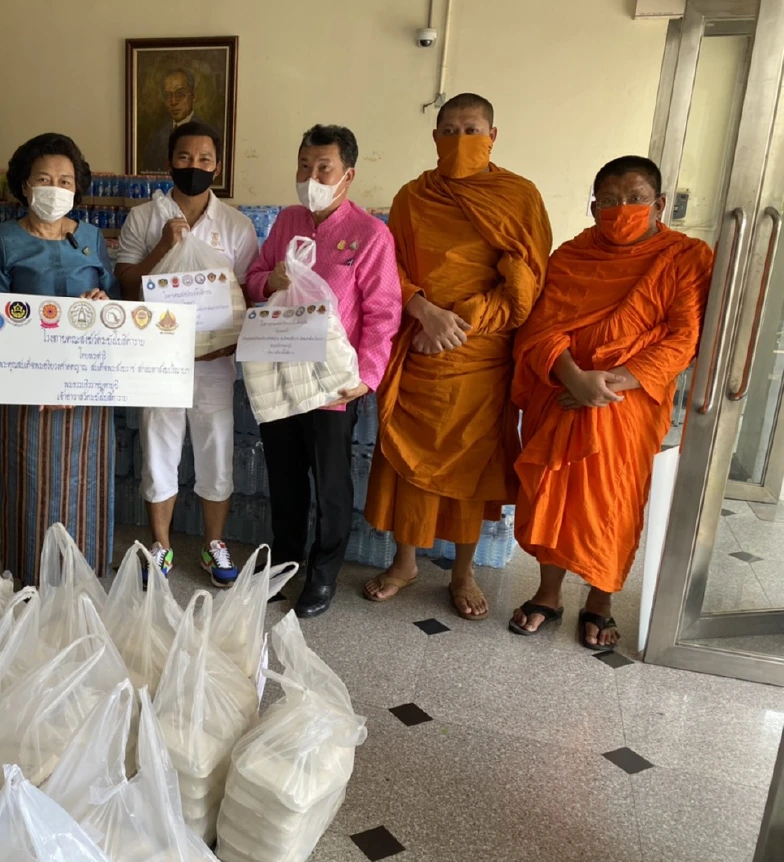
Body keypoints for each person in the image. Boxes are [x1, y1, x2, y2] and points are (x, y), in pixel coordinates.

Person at [508, 156, 713, 650]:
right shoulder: (572, 256)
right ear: (594, 205)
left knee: (613, 502)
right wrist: (575, 379)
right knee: (552, 495)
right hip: (562, 392)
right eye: (610, 201)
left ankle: (601, 599)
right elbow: (540, 328)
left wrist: (608, 385)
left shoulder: (685, 258)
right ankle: (548, 593)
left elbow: (683, 339)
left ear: (660, 204)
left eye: (636, 199)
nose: (622, 209)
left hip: (629, 404)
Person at [362, 92, 552, 620]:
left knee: (472, 466)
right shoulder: (411, 196)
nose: (459, 140)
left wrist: (460, 322)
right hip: (421, 342)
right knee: (407, 461)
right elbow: (388, 269)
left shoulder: (519, 196)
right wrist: (424, 313)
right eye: (448, 129)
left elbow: (526, 279)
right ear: (433, 137)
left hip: (480, 353)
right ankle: (405, 562)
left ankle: (463, 573)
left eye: (471, 129)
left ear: (494, 137)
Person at [245, 124, 403, 618]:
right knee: (285, 479)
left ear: (348, 175)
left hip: (332, 386)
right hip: (278, 378)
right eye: (304, 166)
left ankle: (323, 573)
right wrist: (267, 280)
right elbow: (252, 281)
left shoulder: (369, 234)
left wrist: (368, 376)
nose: (310, 177)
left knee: (332, 486)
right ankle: (285, 563)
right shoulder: (287, 220)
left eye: (323, 168)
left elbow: (383, 312)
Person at [115, 120, 259, 586]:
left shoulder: (236, 226)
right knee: (158, 448)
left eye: (203, 159)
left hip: (213, 361)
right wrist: (164, 244)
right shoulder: (143, 217)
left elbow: (245, 293)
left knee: (216, 450)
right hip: (158, 358)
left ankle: (214, 544)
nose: (193, 167)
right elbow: (126, 284)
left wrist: (232, 339)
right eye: (183, 158)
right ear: (168, 162)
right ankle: (161, 545)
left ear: (217, 165)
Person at [0, 133, 119, 585]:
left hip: (87, 385)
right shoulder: (5, 240)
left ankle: (86, 570)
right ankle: (29, 573)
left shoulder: (92, 238)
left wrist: (101, 304)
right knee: (32, 479)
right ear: (24, 185)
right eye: (44, 178)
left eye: (65, 179)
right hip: (27, 389)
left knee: (86, 479)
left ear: (77, 188)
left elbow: (115, 307)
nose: (55, 187)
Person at [142, 68, 214, 175]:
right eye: (167, 96)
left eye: (180, 94)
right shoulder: (156, 140)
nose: (173, 102)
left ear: (193, 96)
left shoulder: (209, 135)